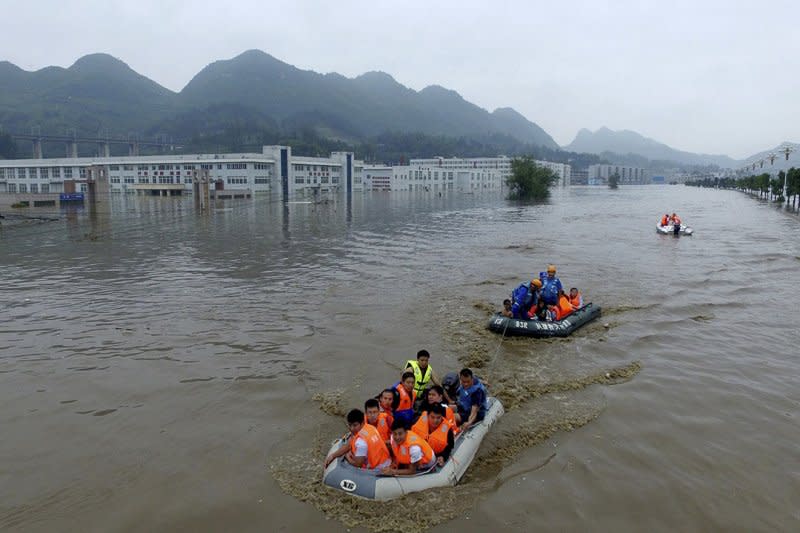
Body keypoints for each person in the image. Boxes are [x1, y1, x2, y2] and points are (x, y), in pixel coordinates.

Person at [324, 409, 391, 471]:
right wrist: (333, 455)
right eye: (350, 425)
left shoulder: (361, 443)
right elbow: (349, 445)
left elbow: (358, 464)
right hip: (386, 460)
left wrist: (346, 456)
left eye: (355, 425)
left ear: (362, 423)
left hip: (379, 468)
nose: (352, 428)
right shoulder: (370, 427)